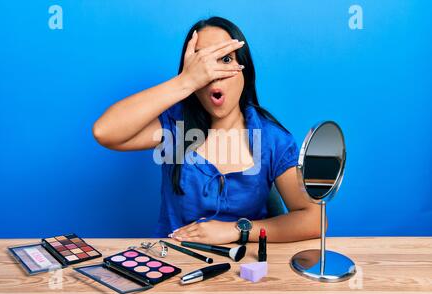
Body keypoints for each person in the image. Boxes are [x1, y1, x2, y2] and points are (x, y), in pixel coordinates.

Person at [93, 17, 322, 245]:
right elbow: (105, 131)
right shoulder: (174, 127)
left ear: (245, 70)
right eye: (202, 62)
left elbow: (314, 220)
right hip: (176, 263)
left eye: (225, 59)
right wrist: (185, 81)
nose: (212, 73)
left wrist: (236, 230)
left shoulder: (273, 140)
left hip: (245, 268)